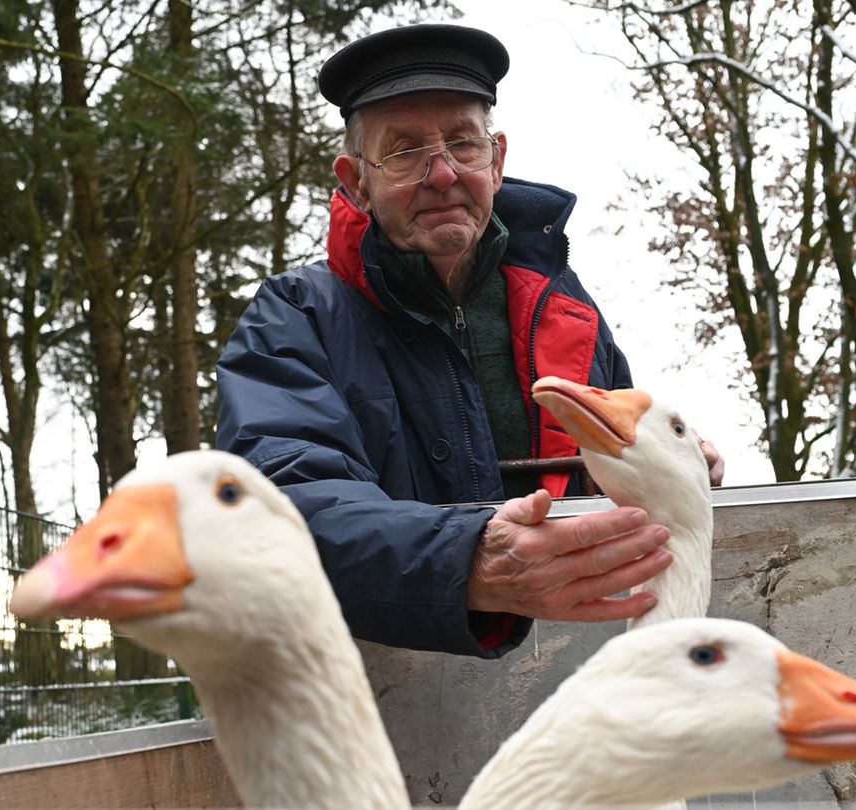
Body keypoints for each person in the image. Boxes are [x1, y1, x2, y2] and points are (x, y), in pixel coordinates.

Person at [215, 23, 723, 657]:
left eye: (463, 142)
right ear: (355, 181)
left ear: (498, 159)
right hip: (373, 700)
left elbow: (611, 465)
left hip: (577, 673)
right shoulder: (294, 318)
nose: (442, 173)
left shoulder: (565, 309)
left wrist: (674, 466)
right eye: (403, 152)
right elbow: (280, 509)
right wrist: (467, 561)